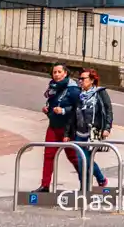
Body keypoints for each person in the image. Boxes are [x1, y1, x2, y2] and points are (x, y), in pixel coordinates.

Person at [37, 62, 82, 193]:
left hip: (67, 129)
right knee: (48, 156)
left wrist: (63, 111)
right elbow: (51, 103)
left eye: (59, 72)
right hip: (53, 126)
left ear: (65, 73)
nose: (56, 75)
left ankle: (86, 183)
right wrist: (48, 110)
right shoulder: (52, 88)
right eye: (54, 72)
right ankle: (45, 185)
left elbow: (77, 109)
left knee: (73, 156)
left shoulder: (73, 89)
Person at [72, 67, 113, 189]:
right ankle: (85, 186)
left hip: (93, 132)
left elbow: (108, 110)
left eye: (83, 79)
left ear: (91, 80)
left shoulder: (100, 93)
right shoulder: (79, 94)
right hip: (79, 132)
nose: (80, 81)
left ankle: (96, 182)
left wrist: (107, 128)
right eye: (79, 79)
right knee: (81, 161)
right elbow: (73, 112)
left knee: (87, 160)